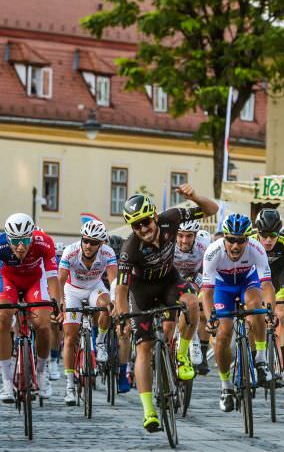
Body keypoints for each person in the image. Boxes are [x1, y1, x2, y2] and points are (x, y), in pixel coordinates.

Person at [114, 185, 217, 432]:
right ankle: (149, 410)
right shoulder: (130, 249)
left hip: (170, 280)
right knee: (144, 349)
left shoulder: (171, 219)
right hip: (143, 292)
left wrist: (194, 197)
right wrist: (121, 315)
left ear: (154, 216)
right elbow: (121, 288)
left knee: (192, 302)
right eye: (136, 226)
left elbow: (211, 209)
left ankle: (182, 353)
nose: (143, 229)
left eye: (146, 222)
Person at [201, 214, 275, 413]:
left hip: (247, 282)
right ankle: (226, 386)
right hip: (222, 287)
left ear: (247, 239)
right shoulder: (212, 252)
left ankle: (260, 358)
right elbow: (206, 293)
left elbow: (266, 284)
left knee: (255, 306)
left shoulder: (256, 249)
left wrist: (270, 309)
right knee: (223, 333)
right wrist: (210, 319)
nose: (235, 245)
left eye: (241, 240)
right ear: (224, 238)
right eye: (231, 240)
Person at [0, 214, 61, 403]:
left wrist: (56, 304)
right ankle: (6, 380)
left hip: (34, 280)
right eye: (16, 241)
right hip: (8, 280)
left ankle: (42, 373)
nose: (21, 246)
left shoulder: (44, 242)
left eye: (25, 240)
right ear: (7, 238)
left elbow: (52, 277)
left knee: (43, 324)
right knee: (2, 317)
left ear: (32, 236)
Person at [58, 220, 117, 405]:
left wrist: (114, 299)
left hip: (94, 288)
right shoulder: (71, 251)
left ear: (101, 244)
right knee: (70, 337)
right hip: (72, 290)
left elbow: (114, 279)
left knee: (105, 305)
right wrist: (61, 302)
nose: (88, 245)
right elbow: (59, 280)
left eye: (93, 242)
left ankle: (99, 342)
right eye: (85, 241)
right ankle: (69, 386)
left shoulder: (108, 253)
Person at [253, 209, 284, 386]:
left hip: (278, 277)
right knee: (253, 315)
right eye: (264, 235)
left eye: (273, 235)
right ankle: (253, 359)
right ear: (258, 232)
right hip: (255, 279)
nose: (268, 240)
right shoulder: (249, 242)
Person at [172, 219, 212, 375]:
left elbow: (208, 270)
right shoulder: (169, 245)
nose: (184, 240)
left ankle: (196, 343)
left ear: (195, 236)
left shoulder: (204, 245)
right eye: (180, 236)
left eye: (189, 236)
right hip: (173, 277)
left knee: (196, 302)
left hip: (194, 276)